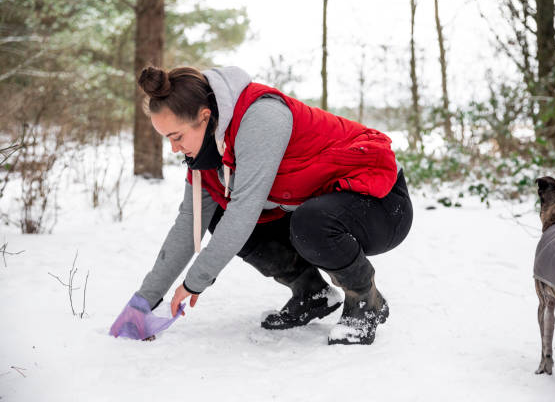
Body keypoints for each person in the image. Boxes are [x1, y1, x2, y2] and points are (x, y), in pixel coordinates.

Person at [133, 65, 413, 345]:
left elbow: (244, 211)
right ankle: (312, 294)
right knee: (220, 214)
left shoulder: (260, 117)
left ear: (204, 117)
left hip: (382, 203)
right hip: (322, 206)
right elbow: (188, 224)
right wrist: (143, 302)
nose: (173, 149)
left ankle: (365, 299)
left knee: (307, 221)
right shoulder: (206, 156)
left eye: (177, 137)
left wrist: (195, 281)